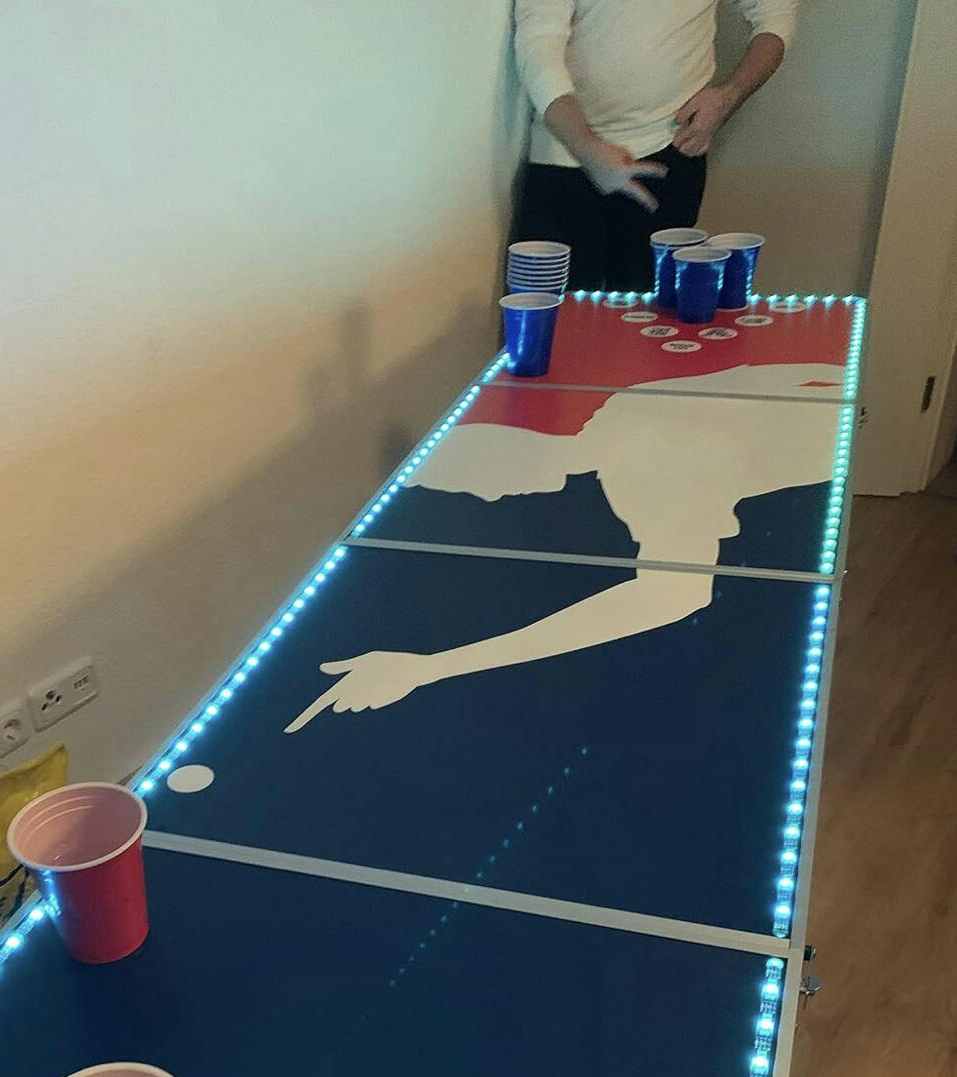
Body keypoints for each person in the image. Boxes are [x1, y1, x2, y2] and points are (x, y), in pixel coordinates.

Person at [284, 361, 838, 732]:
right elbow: (759, 376)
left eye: (484, 484)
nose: (494, 494)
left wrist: (433, 668)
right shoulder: (627, 409)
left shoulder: (643, 473)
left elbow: (671, 597)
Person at [511, 0, 797, 292]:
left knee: (654, 315)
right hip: (563, 155)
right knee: (550, 314)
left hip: (669, 154)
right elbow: (538, 43)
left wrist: (729, 98)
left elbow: (775, 12)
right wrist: (585, 146)